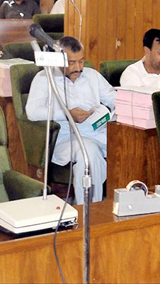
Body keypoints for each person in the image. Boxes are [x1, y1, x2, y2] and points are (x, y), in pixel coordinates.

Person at [25, 37, 116, 205]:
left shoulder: (92, 76)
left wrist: (113, 111)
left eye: (81, 61)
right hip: (67, 139)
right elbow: (32, 112)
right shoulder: (45, 78)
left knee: (127, 149)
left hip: (99, 133)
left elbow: (114, 98)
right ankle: (87, 210)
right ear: (58, 59)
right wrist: (66, 114)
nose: (79, 68)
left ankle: (115, 206)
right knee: (87, 152)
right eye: (72, 63)